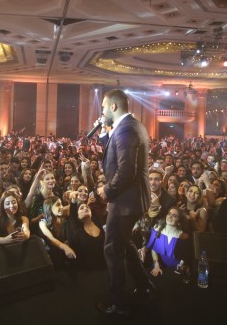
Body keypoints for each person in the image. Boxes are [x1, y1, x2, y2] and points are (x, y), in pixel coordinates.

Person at [96, 89, 153, 316]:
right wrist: (104, 133)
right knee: (124, 241)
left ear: (113, 106)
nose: (101, 111)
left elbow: (126, 170)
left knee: (112, 248)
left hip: (126, 201)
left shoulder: (127, 129)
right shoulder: (130, 125)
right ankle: (144, 284)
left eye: (103, 107)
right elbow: (117, 152)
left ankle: (119, 303)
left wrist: (106, 191)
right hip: (132, 199)